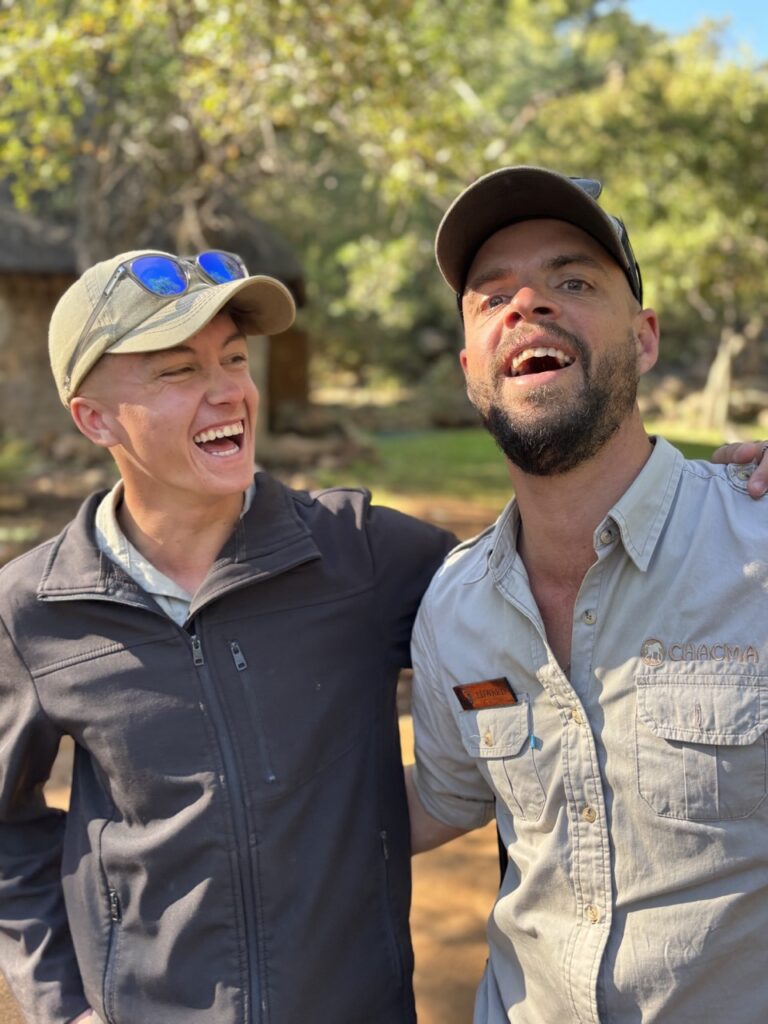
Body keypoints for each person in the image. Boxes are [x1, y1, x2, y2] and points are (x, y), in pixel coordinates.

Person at [0, 249, 456, 1024]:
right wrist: (61, 1003)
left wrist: (722, 493)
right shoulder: (31, 611)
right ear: (93, 417)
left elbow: (540, 573)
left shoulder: (364, 555)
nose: (229, 393)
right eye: (178, 372)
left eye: (235, 359)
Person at [406, 166, 768, 1023]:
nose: (528, 307)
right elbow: (436, 802)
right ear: (470, 368)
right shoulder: (453, 606)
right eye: (493, 298)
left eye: (571, 281)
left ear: (643, 339)